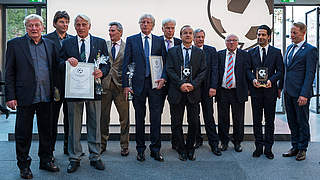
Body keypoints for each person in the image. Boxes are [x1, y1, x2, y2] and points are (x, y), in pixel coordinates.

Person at [5, 14, 60, 179]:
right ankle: (24, 166)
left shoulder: (50, 45)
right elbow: (9, 73)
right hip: (24, 96)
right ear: (26, 28)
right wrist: (10, 96)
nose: (34, 28)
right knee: (23, 133)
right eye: (30, 26)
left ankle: (45, 160)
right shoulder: (15, 45)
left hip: (46, 96)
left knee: (47, 132)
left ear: (42, 27)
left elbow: (57, 68)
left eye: (37, 25)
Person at [59, 14, 110, 173]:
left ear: (90, 26)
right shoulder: (67, 43)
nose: (81, 27)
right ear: (74, 26)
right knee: (74, 125)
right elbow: (58, 63)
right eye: (78, 24)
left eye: (84, 24)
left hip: (94, 89)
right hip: (74, 90)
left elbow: (107, 63)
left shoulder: (100, 42)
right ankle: (74, 157)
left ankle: (95, 156)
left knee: (95, 124)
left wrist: (102, 71)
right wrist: (66, 62)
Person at [122, 14, 166, 162]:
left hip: (155, 85)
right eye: (143, 22)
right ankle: (140, 149)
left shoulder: (160, 41)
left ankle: (155, 149)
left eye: (148, 22)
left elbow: (165, 63)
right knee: (139, 118)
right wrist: (126, 85)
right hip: (137, 85)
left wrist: (164, 78)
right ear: (139, 24)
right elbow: (126, 64)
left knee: (155, 118)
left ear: (152, 25)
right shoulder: (131, 40)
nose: (145, 24)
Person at [166, 25, 207, 161]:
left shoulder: (199, 52)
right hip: (177, 92)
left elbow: (203, 71)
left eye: (190, 33)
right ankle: (181, 149)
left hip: (193, 93)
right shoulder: (172, 51)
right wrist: (181, 84)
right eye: (185, 33)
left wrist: (192, 85)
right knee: (176, 123)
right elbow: (169, 70)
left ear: (193, 36)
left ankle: (190, 148)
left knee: (194, 122)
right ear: (181, 35)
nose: (188, 35)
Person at [281, 22, 317, 161]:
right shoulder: (289, 48)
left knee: (302, 121)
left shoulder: (310, 50)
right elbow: (286, 70)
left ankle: (302, 149)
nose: (292, 35)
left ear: (303, 33)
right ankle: (294, 146)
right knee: (292, 121)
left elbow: (310, 74)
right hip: (288, 92)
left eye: (295, 32)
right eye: (291, 32)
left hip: (300, 94)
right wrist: (280, 88)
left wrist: (304, 94)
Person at [247, 25, 283, 159]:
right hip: (256, 92)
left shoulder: (276, 52)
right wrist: (252, 80)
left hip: (270, 92)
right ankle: (258, 147)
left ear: (269, 36)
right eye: (259, 35)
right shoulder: (251, 52)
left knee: (269, 121)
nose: (260, 37)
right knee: (256, 121)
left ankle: (268, 148)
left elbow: (280, 71)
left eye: (263, 35)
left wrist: (271, 81)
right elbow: (247, 70)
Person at [43, 10, 72, 155]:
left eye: (67, 22)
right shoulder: (46, 40)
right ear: (55, 23)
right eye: (61, 22)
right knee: (52, 119)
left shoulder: (73, 39)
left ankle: (68, 148)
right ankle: (50, 149)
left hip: (71, 85)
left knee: (70, 119)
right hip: (54, 85)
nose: (65, 24)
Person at [100, 22, 130, 156]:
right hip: (105, 85)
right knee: (103, 117)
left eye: (113, 31)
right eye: (109, 31)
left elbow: (131, 67)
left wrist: (128, 85)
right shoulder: (104, 45)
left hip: (121, 87)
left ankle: (124, 145)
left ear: (120, 32)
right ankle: (102, 144)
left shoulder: (127, 47)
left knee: (124, 118)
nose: (110, 33)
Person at [216, 34, 249, 152]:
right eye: (229, 40)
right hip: (222, 91)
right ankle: (224, 142)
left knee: (238, 119)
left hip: (238, 92)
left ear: (238, 42)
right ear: (225, 42)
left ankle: (237, 142)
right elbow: (215, 73)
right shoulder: (219, 54)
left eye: (234, 40)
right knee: (223, 118)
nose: (231, 42)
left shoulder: (245, 55)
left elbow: (248, 73)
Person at [193, 28, 221, 156]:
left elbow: (215, 70)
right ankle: (197, 139)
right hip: (193, 89)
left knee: (209, 116)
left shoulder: (211, 50)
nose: (200, 39)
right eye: (198, 37)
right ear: (193, 38)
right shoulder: (189, 50)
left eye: (202, 37)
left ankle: (214, 143)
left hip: (208, 88)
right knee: (194, 116)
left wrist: (213, 87)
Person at [160, 18, 182, 150]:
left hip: (175, 84)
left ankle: (176, 143)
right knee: (157, 113)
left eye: (172, 28)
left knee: (176, 116)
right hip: (159, 83)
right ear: (162, 29)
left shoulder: (180, 43)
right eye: (167, 28)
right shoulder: (156, 41)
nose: (170, 30)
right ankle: (156, 145)